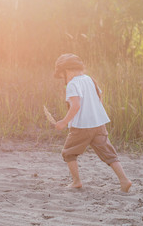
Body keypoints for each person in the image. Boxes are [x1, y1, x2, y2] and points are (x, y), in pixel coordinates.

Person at [53, 53, 132, 192]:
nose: (63, 79)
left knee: (68, 153)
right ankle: (124, 180)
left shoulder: (72, 84)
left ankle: (76, 181)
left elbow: (75, 106)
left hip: (82, 127)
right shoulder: (90, 79)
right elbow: (99, 97)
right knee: (108, 153)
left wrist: (64, 122)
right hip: (99, 123)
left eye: (62, 75)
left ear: (67, 71)